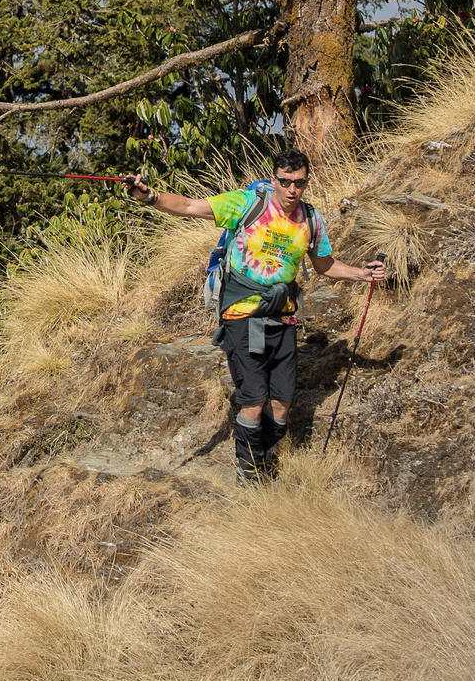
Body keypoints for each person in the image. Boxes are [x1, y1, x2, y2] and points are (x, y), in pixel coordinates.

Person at [127, 149, 385, 480]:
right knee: (254, 400)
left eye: (300, 183)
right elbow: (191, 206)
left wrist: (364, 274)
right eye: (286, 182)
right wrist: (149, 196)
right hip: (242, 313)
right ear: (274, 178)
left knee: (281, 403)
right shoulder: (248, 203)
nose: (293, 190)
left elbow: (325, 265)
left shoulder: (310, 219)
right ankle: (249, 475)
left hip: (283, 316)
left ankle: (268, 461)